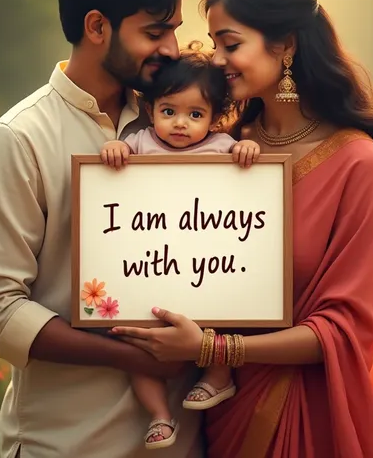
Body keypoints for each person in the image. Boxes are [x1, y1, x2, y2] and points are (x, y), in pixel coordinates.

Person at [109, 0, 373, 458]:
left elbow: (344, 333)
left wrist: (213, 350)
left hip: (306, 415)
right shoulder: (222, 149)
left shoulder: (357, 164)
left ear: (286, 45)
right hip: (216, 416)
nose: (216, 60)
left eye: (230, 44)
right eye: (213, 44)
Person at [0, 0, 207, 458]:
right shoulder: (19, 139)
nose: (172, 48)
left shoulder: (176, 122)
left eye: (174, 30)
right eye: (154, 32)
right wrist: (132, 356)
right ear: (97, 26)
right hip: (67, 443)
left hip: (183, 447)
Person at [101, 46, 260, 449]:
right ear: (150, 107)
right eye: (169, 111)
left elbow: (250, 175)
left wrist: (248, 149)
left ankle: (219, 376)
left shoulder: (221, 147)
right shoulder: (139, 142)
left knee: (223, 312)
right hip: (149, 266)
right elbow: (112, 170)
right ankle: (160, 416)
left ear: (214, 118)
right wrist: (115, 150)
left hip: (202, 264)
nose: (180, 124)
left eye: (196, 115)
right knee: (134, 341)